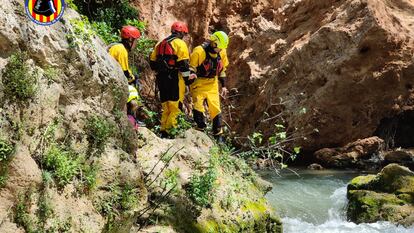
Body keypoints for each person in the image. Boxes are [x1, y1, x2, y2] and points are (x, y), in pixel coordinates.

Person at [149, 21, 195, 138]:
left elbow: (152, 64)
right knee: (175, 106)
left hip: (161, 78)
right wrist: (187, 79)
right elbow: (184, 64)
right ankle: (171, 132)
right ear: (182, 33)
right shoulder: (180, 44)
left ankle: (163, 130)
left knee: (166, 106)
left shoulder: (160, 43)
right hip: (174, 78)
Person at [189, 31, 229, 142]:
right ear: (214, 43)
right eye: (219, 48)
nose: (220, 50)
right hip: (199, 82)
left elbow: (222, 70)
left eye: (222, 48)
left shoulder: (222, 52)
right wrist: (191, 74)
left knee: (215, 108)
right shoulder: (199, 51)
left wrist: (224, 86)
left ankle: (218, 135)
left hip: (212, 83)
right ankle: (200, 128)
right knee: (198, 105)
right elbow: (192, 67)